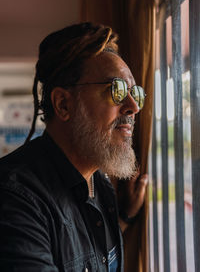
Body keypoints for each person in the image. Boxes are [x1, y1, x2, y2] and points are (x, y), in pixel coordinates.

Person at [0, 22, 148, 272]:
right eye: (117, 90)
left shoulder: (99, 182)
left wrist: (123, 217)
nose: (134, 107)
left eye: (135, 92)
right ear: (64, 105)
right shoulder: (14, 200)